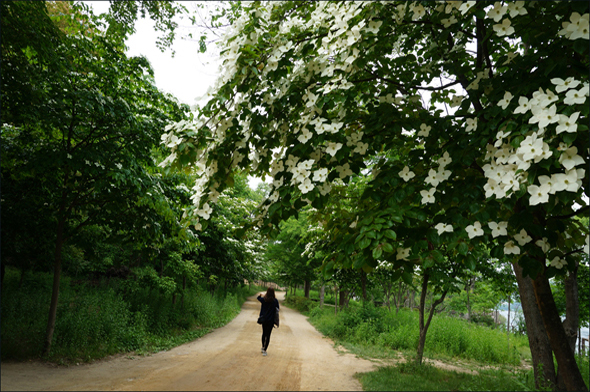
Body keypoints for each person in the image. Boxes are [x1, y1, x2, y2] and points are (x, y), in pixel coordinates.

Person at [257, 287, 279, 356]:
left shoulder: (264, 300)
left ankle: (263, 346)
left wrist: (261, 294)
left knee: (264, 333)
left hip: (264, 319)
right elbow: (278, 309)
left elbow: (258, 298)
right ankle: (265, 349)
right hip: (271, 320)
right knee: (268, 335)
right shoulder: (275, 301)